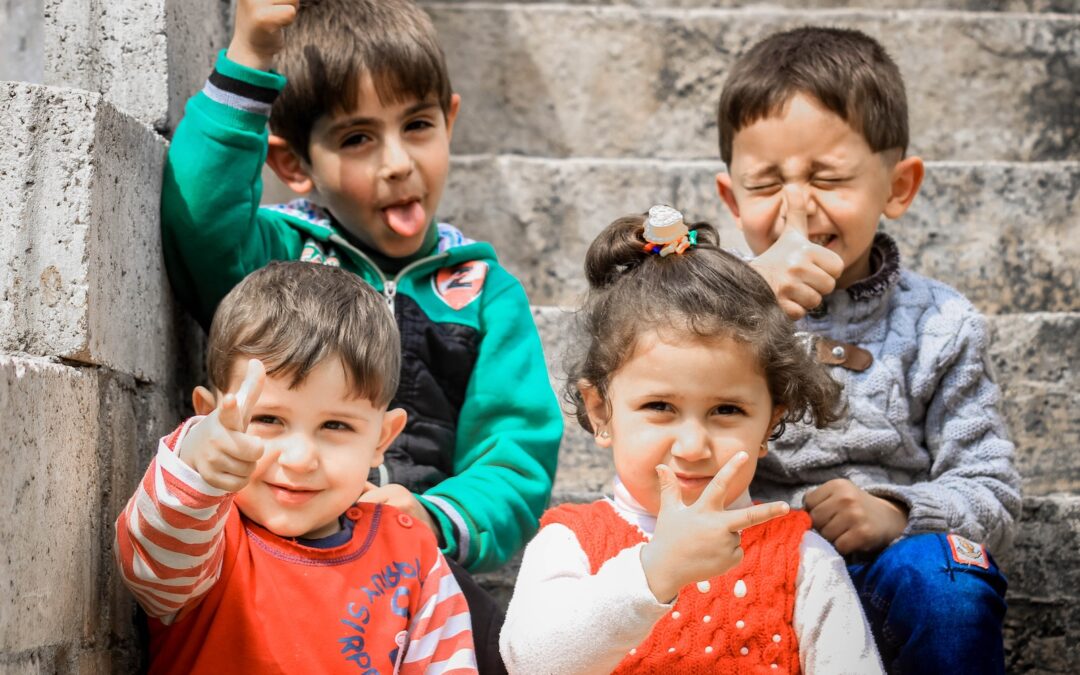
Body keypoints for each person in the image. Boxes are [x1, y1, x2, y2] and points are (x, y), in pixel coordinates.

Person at [160, 1, 562, 668]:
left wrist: (430, 515)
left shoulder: (484, 294)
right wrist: (252, 52)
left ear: (452, 120)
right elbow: (198, 219)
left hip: (410, 559)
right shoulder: (278, 253)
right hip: (274, 542)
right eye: (357, 139)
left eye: (418, 125)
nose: (398, 162)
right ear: (293, 165)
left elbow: (515, 453)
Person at [715, 27, 1021, 673]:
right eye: (766, 184)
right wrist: (743, 307)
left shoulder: (942, 323)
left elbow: (992, 493)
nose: (797, 208)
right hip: (756, 569)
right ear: (730, 197)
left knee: (948, 581)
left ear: (899, 186)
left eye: (828, 177)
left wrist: (898, 512)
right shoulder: (708, 310)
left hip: (892, 569)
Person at [499, 206, 883, 674]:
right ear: (601, 411)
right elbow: (529, 662)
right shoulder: (570, 543)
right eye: (660, 407)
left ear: (768, 423)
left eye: (727, 411)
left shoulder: (801, 559)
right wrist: (655, 571)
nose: (693, 446)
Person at [114, 261, 477, 673]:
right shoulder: (206, 543)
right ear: (207, 414)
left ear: (382, 440)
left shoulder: (412, 554)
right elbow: (151, 560)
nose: (300, 459)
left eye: (336, 425)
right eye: (268, 420)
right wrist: (198, 457)